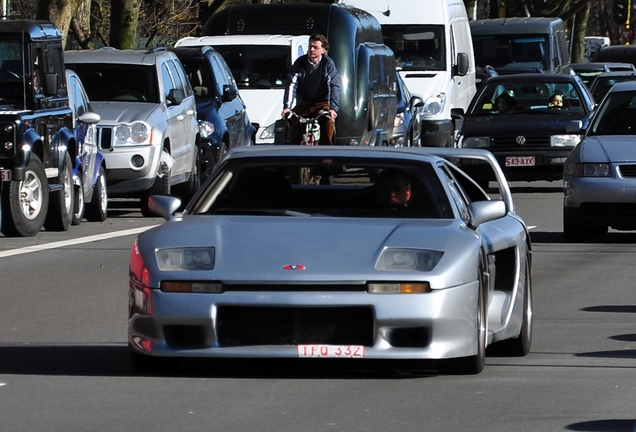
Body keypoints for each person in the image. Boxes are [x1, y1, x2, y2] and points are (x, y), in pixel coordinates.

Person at [281, 34, 340, 145]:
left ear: (323, 50)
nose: (312, 50)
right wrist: (287, 107)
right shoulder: (300, 63)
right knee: (295, 126)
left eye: (315, 47)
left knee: (328, 124)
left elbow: (333, 85)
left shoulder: (328, 64)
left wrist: (333, 108)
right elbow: (292, 84)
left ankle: (326, 153)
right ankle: (296, 156)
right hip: (304, 103)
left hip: (322, 104)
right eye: (310, 47)